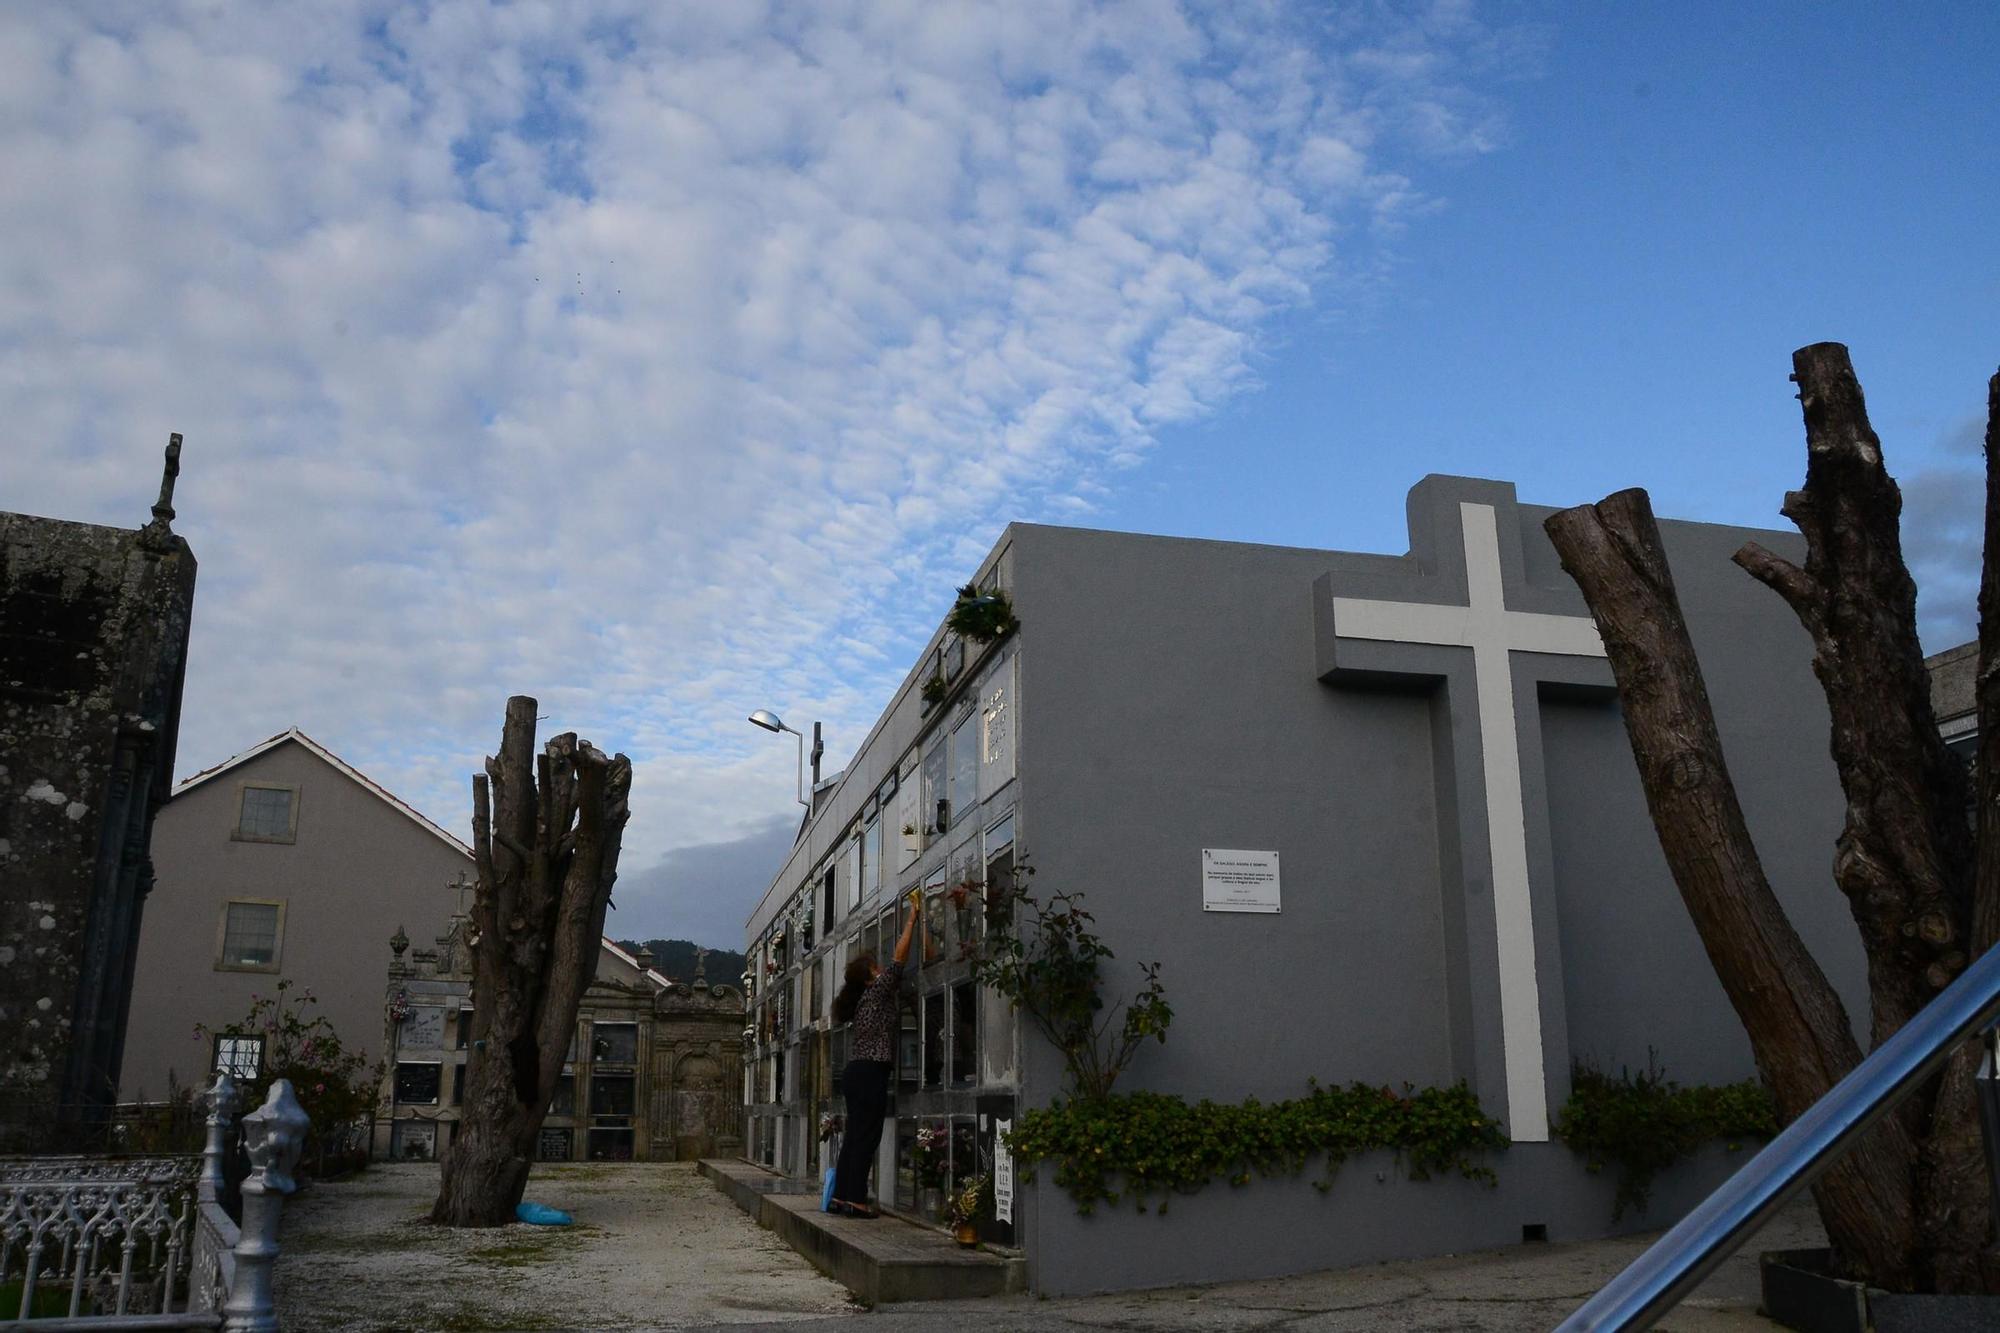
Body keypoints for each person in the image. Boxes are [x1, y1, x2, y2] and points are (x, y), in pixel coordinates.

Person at [828, 890, 924, 1218]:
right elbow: (899, 960)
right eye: (876, 967)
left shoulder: (862, 1002)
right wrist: (912, 919)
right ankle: (855, 1199)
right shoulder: (877, 993)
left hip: (857, 1071)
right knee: (867, 1135)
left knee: (855, 1135)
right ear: (870, 976)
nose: (881, 969)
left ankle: (841, 1197)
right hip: (871, 1072)